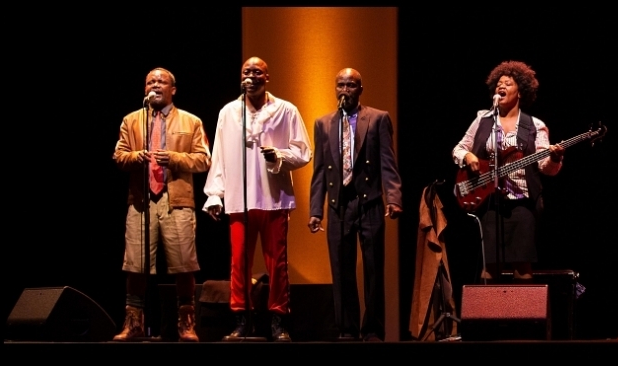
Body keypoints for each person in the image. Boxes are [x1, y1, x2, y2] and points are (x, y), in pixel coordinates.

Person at [203, 57, 312, 342]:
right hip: (239, 198)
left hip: (273, 197)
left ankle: (278, 321)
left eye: (257, 72)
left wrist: (279, 155)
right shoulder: (229, 112)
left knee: (277, 263)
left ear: (267, 77)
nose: (251, 76)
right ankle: (241, 320)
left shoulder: (285, 110)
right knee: (238, 261)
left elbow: (303, 151)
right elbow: (219, 154)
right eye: (246, 72)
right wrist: (215, 194)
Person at [112, 68, 210, 342]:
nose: (155, 85)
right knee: (135, 263)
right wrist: (135, 157)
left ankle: (186, 323)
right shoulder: (132, 120)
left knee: (184, 264)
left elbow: (204, 160)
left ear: (173, 89)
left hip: (176, 198)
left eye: (161, 82)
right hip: (142, 200)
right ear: (145, 89)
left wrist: (176, 158)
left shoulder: (191, 121)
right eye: (150, 82)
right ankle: (134, 324)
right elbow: (118, 155)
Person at [308, 68, 403, 342]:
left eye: (351, 85)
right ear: (334, 88)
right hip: (339, 204)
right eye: (340, 85)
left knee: (373, 269)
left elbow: (388, 162)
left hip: (369, 202)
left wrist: (393, 198)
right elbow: (319, 172)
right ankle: (347, 329)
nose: (345, 90)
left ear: (360, 89)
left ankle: (372, 328)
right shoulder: (323, 124)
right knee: (341, 269)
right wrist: (316, 210)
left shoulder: (377, 118)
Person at [452, 60, 564, 281]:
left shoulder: (535, 125)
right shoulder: (482, 120)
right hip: (490, 202)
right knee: (490, 267)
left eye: (508, 83)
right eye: (498, 84)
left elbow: (546, 169)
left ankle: (521, 314)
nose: (501, 87)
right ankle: (489, 315)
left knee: (522, 268)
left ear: (520, 91)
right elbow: (459, 148)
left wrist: (554, 158)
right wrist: (468, 156)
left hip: (523, 204)